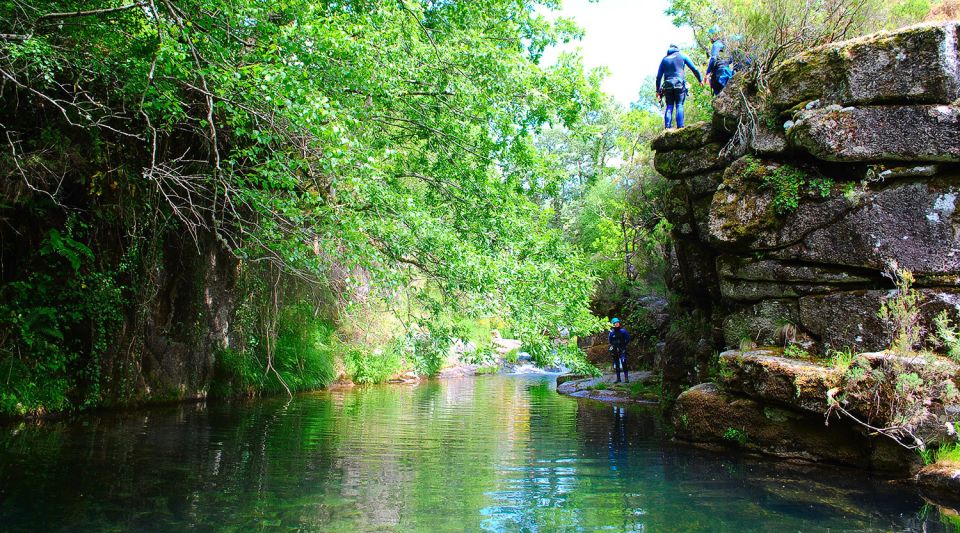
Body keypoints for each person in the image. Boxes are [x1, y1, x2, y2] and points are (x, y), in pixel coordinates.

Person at [656, 44, 702, 129]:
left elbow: (658, 77)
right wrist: (700, 79)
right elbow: (694, 69)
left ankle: (667, 128)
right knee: (679, 104)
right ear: (677, 49)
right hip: (679, 84)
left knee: (669, 106)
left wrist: (657, 91)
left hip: (667, 86)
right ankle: (680, 127)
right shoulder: (682, 56)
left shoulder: (664, 59)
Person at [608, 318, 631, 383]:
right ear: (613, 324)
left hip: (622, 349)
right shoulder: (611, 333)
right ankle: (618, 379)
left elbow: (628, 339)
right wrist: (614, 347)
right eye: (615, 323)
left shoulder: (623, 331)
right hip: (615, 350)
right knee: (617, 364)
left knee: (624, 362)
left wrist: (623, 346)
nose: (617, 323)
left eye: (618, 322)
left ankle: (626, 378)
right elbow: (610, 341)